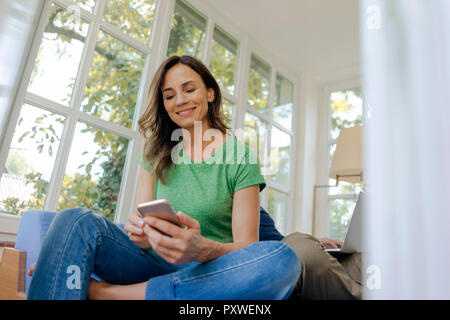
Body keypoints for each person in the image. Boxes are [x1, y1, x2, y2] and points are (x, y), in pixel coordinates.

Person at [27, 55, 301, 300]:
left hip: (210, 272)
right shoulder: (154, 151)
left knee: (282, 259)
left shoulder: (240, 156)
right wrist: (141, 234)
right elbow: (144, 227)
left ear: (210, 94)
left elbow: (247, 247)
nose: (179, 100)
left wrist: (202, 249)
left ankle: (105, 293)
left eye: (189, 89)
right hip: (149, 264)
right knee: (75, 219)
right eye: (169, 96)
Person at [258, 208, 363, 300]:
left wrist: (317, 242)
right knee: (300, 243)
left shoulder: (255, 209)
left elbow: (278, 240)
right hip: (278, 266)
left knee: (361, 258)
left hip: (290, 252)